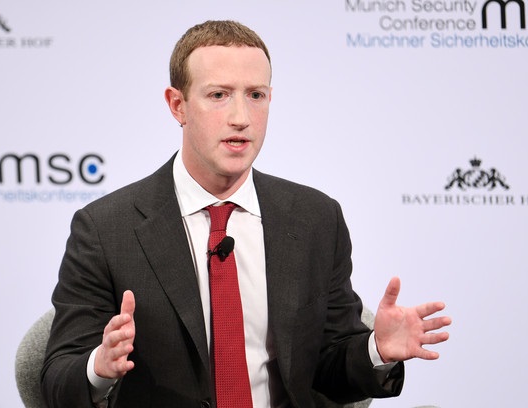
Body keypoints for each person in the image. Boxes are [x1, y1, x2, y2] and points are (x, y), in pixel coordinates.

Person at [41, 20, 451, 408]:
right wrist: (99, 367)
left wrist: (376, 349)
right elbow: (57, 377)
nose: (241, 118)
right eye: (219, 95)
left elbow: (328, 367)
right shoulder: (106, 229)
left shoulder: (315, 218)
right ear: (178, 105)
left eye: (255, 95)